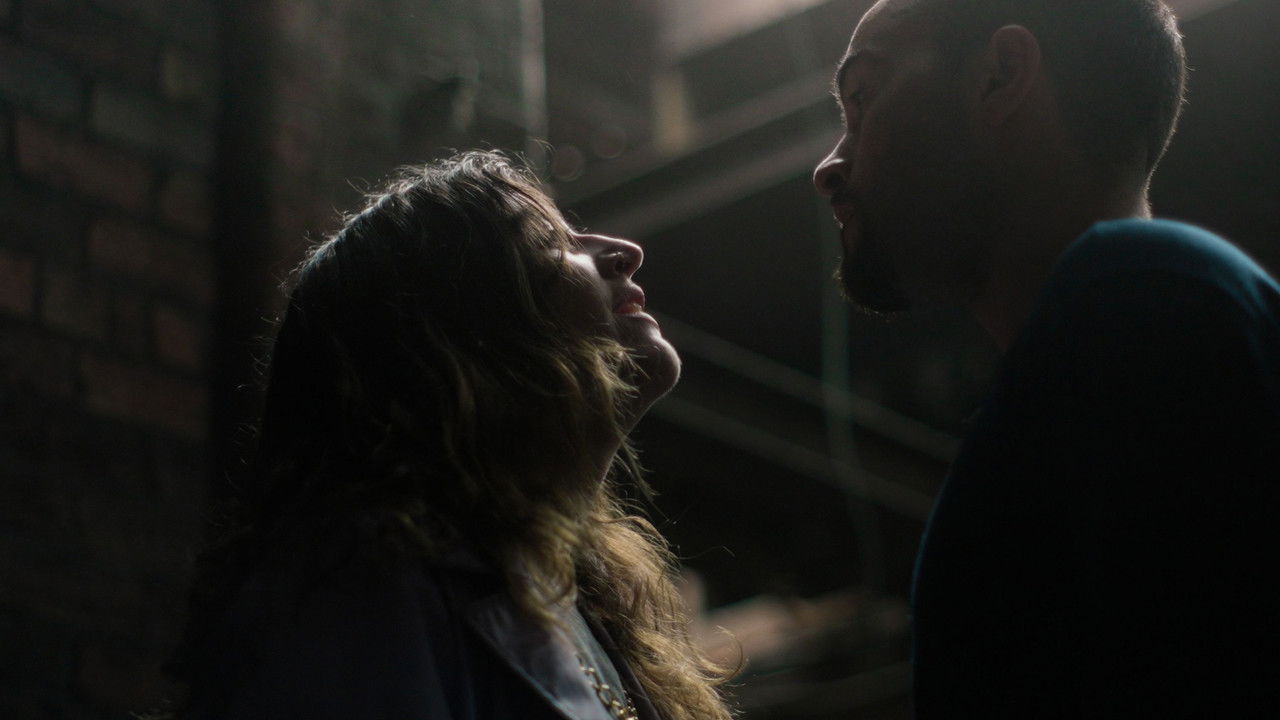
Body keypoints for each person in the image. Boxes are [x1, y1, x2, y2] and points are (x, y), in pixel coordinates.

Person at [813, 0, 1280, 715]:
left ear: (1001, 75)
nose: (827, 168)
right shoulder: (1140, 320)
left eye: (862, 99)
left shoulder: (1146, 294)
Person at [166, 151, 734, 720]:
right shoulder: (354, 591)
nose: (625, 250)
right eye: (549, 241)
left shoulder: (586, 602)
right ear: (467, 339)